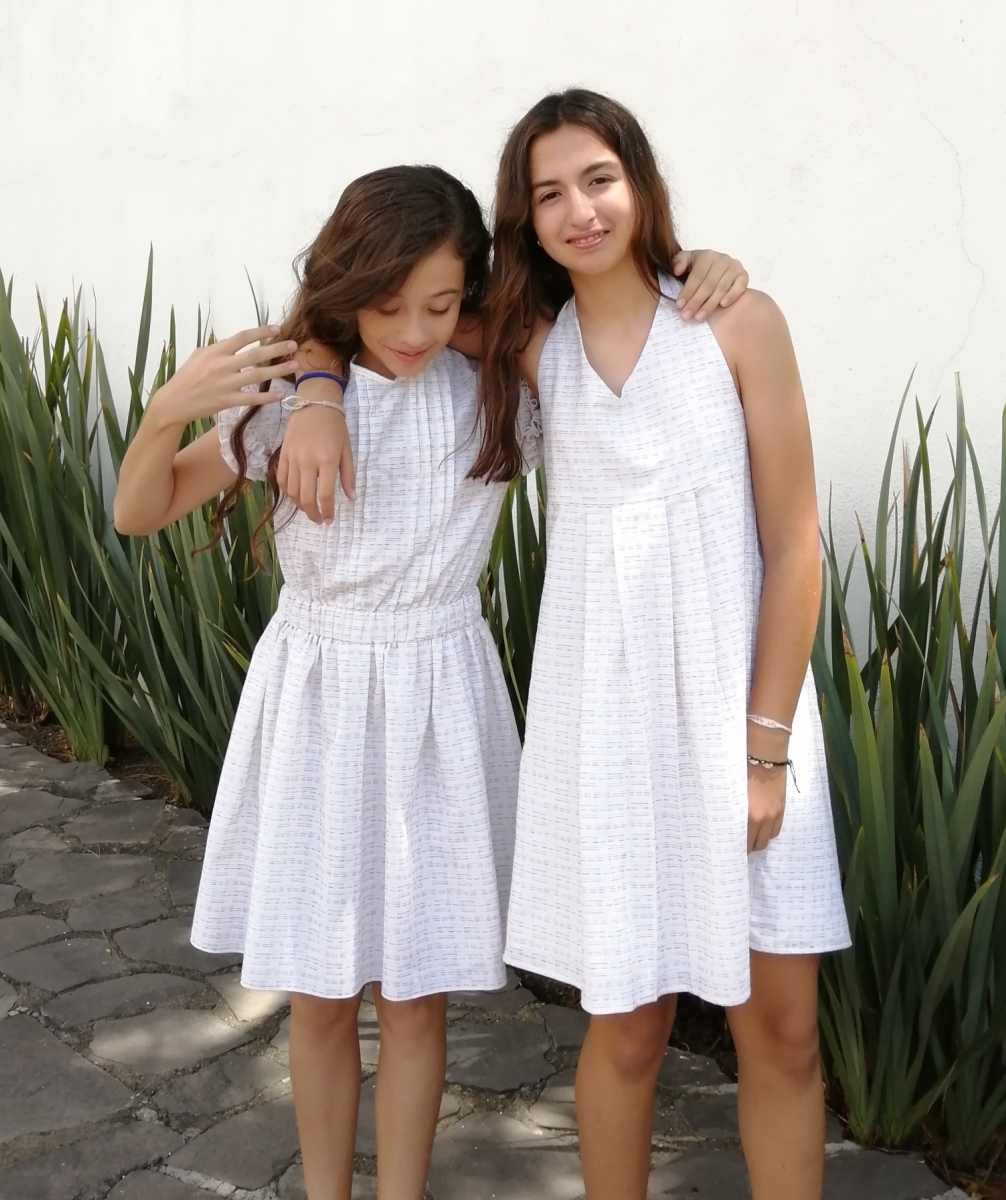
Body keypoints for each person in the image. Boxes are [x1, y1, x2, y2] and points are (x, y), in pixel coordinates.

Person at [112, 162, 746, 1200]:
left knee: (416, 999)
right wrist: (165, 414)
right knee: (319, 996)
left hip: (440, 704)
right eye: (388, 304)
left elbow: (607, 331)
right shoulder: (287, 400)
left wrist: (688, 267)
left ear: (472, 298)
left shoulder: (494, 393)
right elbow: (141, 511)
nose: (413, 330)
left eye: (443, 304)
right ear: (346, 288)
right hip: (317, 703)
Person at [476, 90, 850, 1200]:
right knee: (629, 1027)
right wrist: (311, 392)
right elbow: (366, 310)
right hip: (610, 733)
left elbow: (794, 547)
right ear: (527, 219)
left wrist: (766, 752)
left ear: (638, 182)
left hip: (744, 718)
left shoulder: (736, 322)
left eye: (599, 179)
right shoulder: (532, 347)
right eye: (550, 193)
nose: (580, 210)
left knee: (780, 1031)